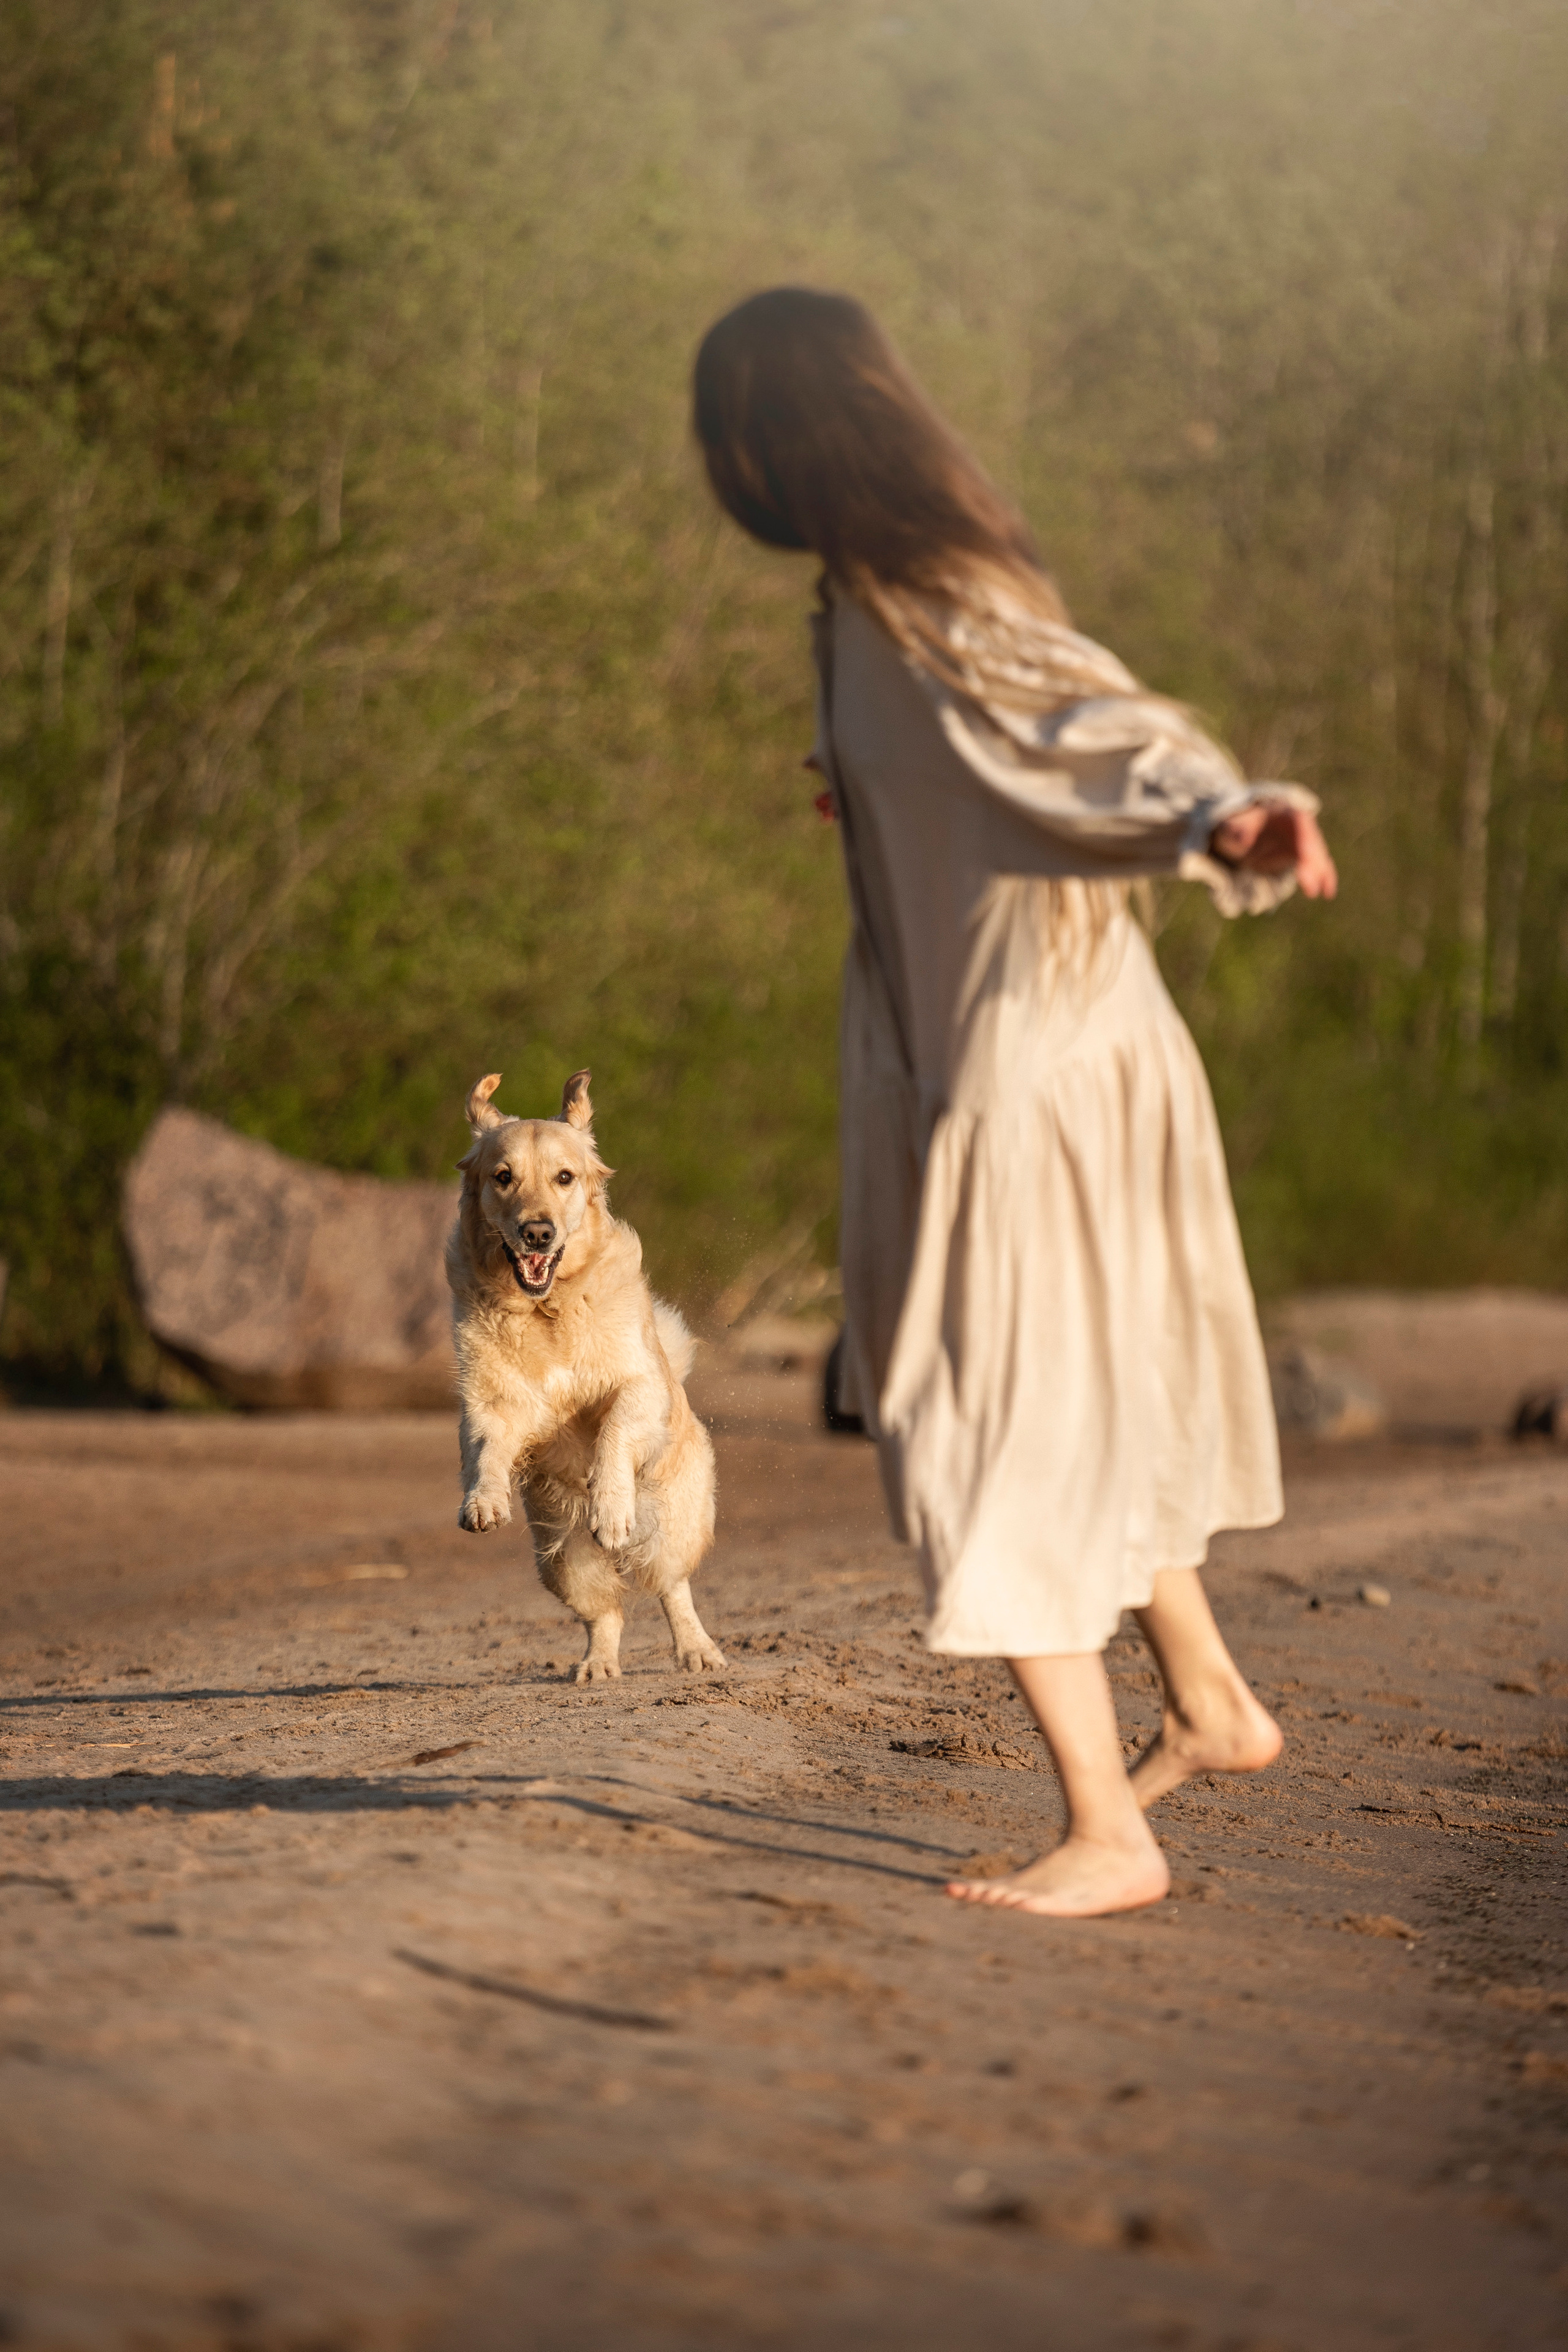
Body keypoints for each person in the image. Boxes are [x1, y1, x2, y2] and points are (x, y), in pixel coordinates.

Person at [692, 287, 1337, 1919]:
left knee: (982, 1418)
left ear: (777, 438)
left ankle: (1110, 1832)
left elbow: (1092, 719)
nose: (717, 468)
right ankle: (1209, 1702)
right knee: (1070, 1394)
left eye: (724, 434)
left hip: (1025, 1071)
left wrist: (1225, 808)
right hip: (1009, 1050)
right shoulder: (866, 606)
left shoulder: (935, 598)